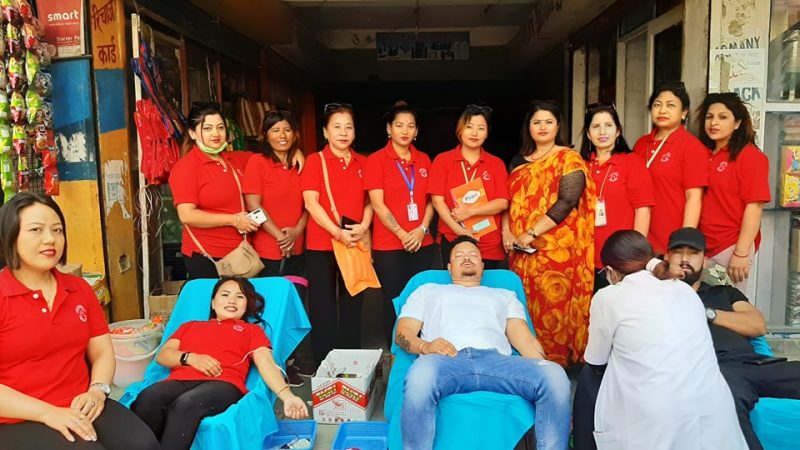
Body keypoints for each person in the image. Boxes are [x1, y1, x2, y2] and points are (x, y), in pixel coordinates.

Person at [0, 192, 159, 450]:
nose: (50, 239)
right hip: (17, 418)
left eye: (57, 230)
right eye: (36, 230)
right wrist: (47, 413)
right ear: (10, 235)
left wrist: (98, 390)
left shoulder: (78, 289)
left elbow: (102, 351)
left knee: (144, 444)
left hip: (81, 403)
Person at [395, 236, 571, 450]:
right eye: (459, 256)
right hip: (446, 359)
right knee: (420, 377)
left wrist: (543, 368)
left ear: (482, 266)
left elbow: (525, 340)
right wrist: (426, 346)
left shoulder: (504, 295)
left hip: (497, 362)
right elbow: (402, 333)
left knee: (555, 375)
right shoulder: (427, 291)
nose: (467, 258)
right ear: (449, 268)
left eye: (473, 255)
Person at [576, 230, 747, 450]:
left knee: (588, 375)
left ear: (610, 271)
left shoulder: (608, 297)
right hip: (715, 412)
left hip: (656, 422)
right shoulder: (684, 289)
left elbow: (596, 361)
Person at [131, 276, 308, 450]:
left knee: (186, 404)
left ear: (247, 305)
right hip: (180, 380)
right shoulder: (190, 326)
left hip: (223, 383)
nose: (232, 300)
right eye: (225, 294)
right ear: (213, 303)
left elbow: (266, 362)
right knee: (148, 398)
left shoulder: (251, 331)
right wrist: (190, 358)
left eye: (240, 296)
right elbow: (163, 355)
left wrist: (287, 396)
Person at [664, 227, 800, 450]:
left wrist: (708, 313)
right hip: (717, 370)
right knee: (727, 405)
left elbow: (757, 325)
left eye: (693, 253)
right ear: (667, 258)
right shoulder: (658, 297)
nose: (685, 259)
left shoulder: (723, 292)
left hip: (757, 364)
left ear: (704, 261)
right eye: (678, 252)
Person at [504, 99, 595, 367]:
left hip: (557, 252)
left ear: (558, 126)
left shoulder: (568, 158)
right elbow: (508, 203)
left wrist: (531, 233)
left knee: (554, 306)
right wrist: (508, 233)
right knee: (523, 304)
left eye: (548, 122)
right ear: (528, 127)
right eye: (537, 122)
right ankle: (527, 360)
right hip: (521, 252)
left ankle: (556, 365)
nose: (542, 127)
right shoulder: (518, 161)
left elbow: (566, 201)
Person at [301, 102, 373, 365]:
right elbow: (311, 203)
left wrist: (363, 227)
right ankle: (325, 363)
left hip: (354, 242)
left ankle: (351, 363)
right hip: (322, 245)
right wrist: (336, 232)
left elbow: (370, 201)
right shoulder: (315, 161)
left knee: (354, 304)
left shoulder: (363, 162)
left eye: (348, 127)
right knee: (323, 307)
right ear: (325, 132)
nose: (343, 133)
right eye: (337, 127)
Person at [242, 110, 310, 386]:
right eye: (275, 130)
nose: (282, 136)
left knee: (293, 305)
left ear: (295, 134)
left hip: (298, 247)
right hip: (268, 250)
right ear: (265, 135)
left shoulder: (301, 164)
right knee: (268, 308)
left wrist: (297, 231)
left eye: (287, 130)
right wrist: (278, 235)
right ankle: (269, 364)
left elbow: (309, 204)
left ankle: (289, 362)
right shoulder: (257, 163)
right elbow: (253, 205)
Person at [365, 101, 435, 347]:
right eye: (399, 125)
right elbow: (377, 204)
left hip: (422, 241)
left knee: (420, 296)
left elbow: (431, 200)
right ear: (389, 129)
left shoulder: (424, 160)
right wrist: (403, 233)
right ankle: (395, 350)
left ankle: (420, 347)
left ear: (417, 131)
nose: (405, 130)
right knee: (393, 298)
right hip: (389, 244)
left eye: (410, 126)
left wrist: (422, 229)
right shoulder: (376, 160)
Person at [168, 102, 259, 279]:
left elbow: (272, 158)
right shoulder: (186, 167)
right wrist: (234, 220)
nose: (216, 134)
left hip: (242, 253)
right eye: (207, 128)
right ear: (192, 133)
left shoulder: (237, 159)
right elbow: (187, 215)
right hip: (207, 255)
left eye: (220, 127)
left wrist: (296, 154)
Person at [697, 93, 770, 292]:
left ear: (737, 123)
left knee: (728, 305)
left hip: (730, 246)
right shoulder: (703, 154)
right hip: (701, 245)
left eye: (723, 117)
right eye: (709, 117)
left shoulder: (750, 157)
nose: (714, 122)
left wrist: (741, 252)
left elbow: (754, 208)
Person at [580, 102, 654, 292]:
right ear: (588, 133)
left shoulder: (632, 163)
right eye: (596, 126)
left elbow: (643, 211)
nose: (602, 131)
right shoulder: (580, 165)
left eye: (608, 125)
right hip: (584, 256)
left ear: (618, 130)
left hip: (621, 257)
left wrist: (635, 255)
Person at [428, 104, 509, 268]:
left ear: (487, 133)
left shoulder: (496, 164)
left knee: (488, 283)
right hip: (453, 239)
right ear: (460, 130)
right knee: (455, 283)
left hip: (489, 242)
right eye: (469, 127)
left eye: (481, 128)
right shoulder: (443, 160)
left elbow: (503, 202)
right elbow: (437, 201)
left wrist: (470, 211)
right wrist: (461, 232)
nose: (474, 133)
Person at [633, 81, 708, 255]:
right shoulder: (641, 144)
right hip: (639, 238)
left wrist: (684, 244)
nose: (662, 110)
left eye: (670, 105)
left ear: (684, 113)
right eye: (657, 105)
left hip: (670, 239)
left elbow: (694, 198)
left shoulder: (691, 147)